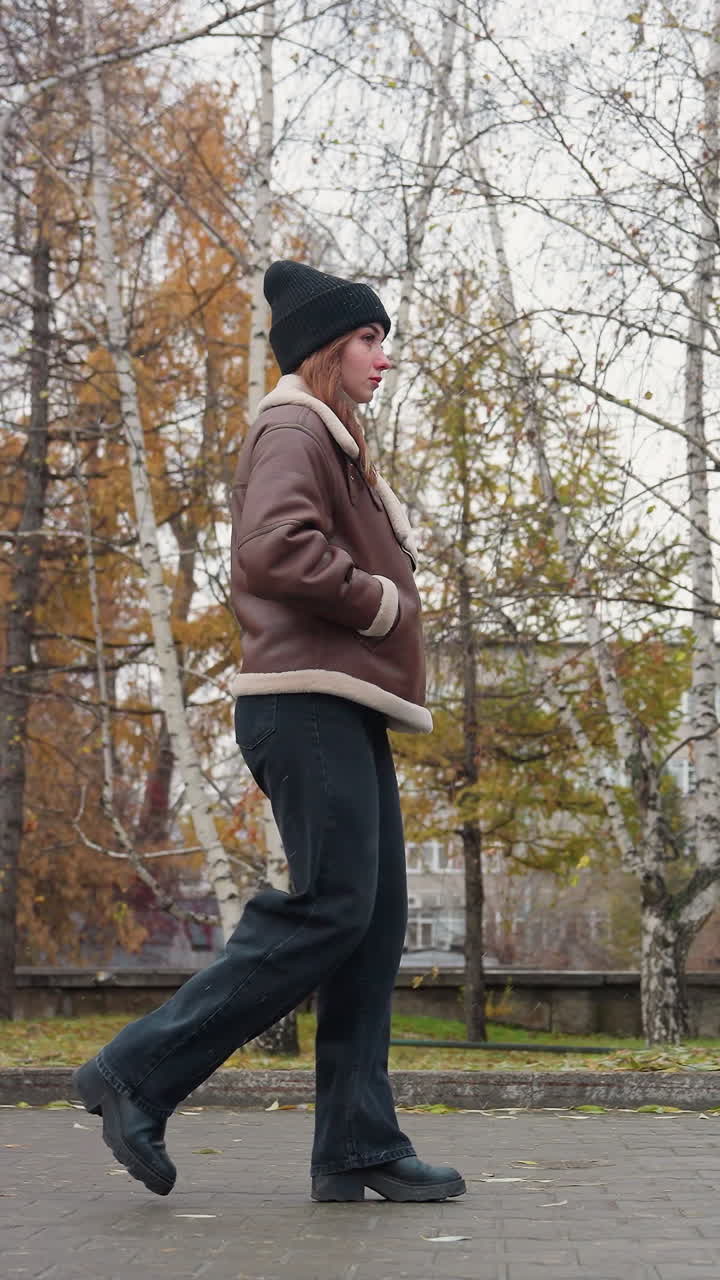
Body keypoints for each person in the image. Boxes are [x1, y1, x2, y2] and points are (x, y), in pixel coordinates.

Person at [73, 260, 466, 1205]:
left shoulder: (332, 436)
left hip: (340, 705)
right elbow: (273, 547)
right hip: (303, 702)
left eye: (384, 339)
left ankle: (358, 1147)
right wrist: (378, 603)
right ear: (327, 349)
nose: (385, 357)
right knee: (331, 909)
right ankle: (135, 1072)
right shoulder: (293, 425)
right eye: (369, 340)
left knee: (367, 930)